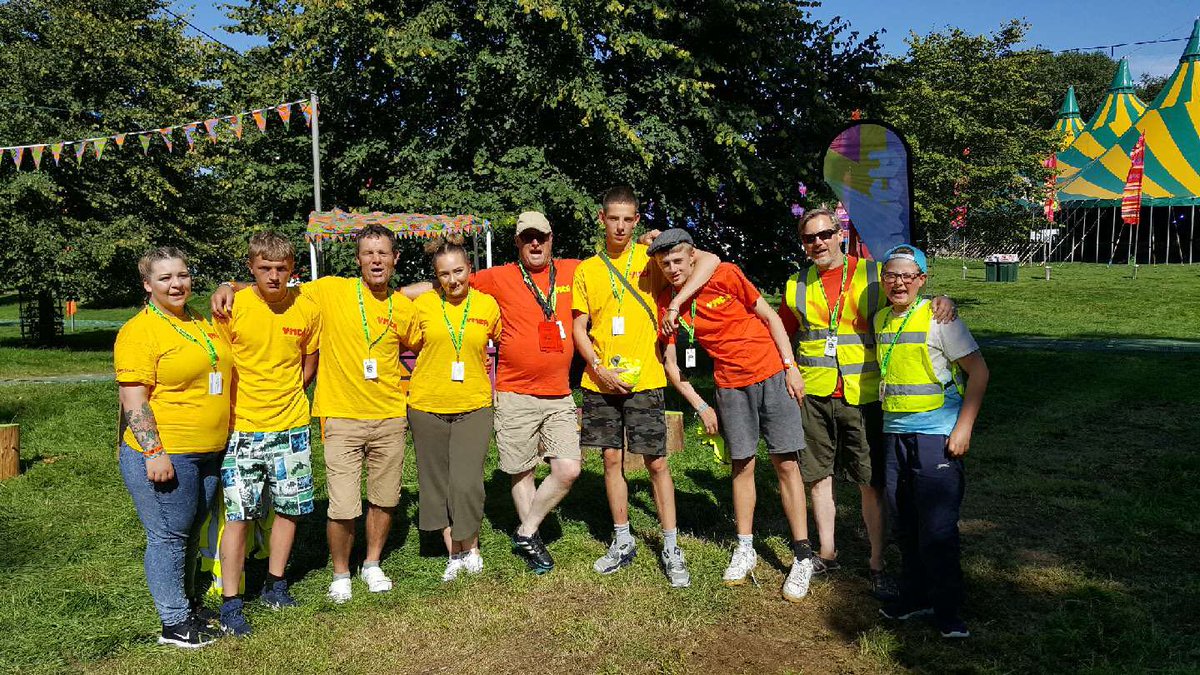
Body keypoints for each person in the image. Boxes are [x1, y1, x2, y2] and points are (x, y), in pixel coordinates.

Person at [213, 224, 415, 603]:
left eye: (383, 253)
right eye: (368, 253)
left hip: (389, 416)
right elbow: (275, 282)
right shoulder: (330, 290)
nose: (376, 260)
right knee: (342, 504)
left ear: (394, 259)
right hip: (338, 416)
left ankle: (371, 564)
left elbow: (426, 339)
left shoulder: (402, 306)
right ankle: (341, 573)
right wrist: (228, 284)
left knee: (385, 499)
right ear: (357, 260)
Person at [779, 208, 954, 598]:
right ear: (803, 244)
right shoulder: (796, 284)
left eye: (825, 234)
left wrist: (943, 299)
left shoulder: (874, 273)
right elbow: (780, 332)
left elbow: (907, 296)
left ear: (839, 233)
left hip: (864, 394)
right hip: (814, 392)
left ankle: (877, 562)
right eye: (809, 238)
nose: (818, 243)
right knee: (818, 476)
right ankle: (826, 553)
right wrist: (788, 366)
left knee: (869, 482)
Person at [649, 229, 816, 601]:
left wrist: (790, 365)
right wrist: (700, 403)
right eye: (666, 264)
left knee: (786, 463)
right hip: (729, 387)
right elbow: (672, 366)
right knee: (742, 464)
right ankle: (745, 547)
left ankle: (803, 553)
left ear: (692, 257)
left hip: (773, 374)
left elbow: (771, 317)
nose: (673, 268)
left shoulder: (725, 274)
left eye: (678, 260)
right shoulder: (667, 305)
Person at [571, 186, 719, 588]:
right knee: (611, 461)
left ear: (637, 221)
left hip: (647, 379)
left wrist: (658, 240)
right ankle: (622, 541)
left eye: (628, 219)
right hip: (600, 383)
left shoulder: (652, 258)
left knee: (656, 462)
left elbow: (706, 260)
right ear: (601, 219)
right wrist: (597, 368)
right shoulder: (587, 270)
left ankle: (670, 546)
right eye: (613, 218)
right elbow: (578, 328)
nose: (619, 225)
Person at [115, 246, 233, 648]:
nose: (176, 284)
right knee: (168, 536)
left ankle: (186, 604)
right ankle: (174, 623)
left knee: (188, 530)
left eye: (181, 275)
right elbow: (134, 399)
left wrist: (227, 283)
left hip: (208, 451)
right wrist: (154, 452)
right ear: (147, 285)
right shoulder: (139, 332)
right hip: (168, 453)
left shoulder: (199, 319)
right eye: (164, 278)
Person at [873, 245, 988, 639]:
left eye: (908, 276)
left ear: (922, 279)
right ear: (882, 278)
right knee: (904, 521)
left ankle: (948, 609)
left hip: (935, 435)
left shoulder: (940, 317)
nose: (899, 282)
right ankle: (916, 596)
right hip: (895, 434)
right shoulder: (881, 319)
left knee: (937, 526)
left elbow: (980, 373)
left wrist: (963, 428)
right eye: (891, 275)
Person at [212, 232, 321, 636]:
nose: (273, 277)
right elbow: (219, 363)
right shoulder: (233, 306)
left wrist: (288, 399)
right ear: (251, 268)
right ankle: (231, 601)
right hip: (242, 428)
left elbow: (308, 366)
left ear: (292, 270)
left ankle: (276, 584)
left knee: (289, 509)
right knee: (239, 515)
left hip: (291, 426)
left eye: (281, 269)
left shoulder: (307, 309)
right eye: (264, 269)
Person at [405, 236, 502, 581]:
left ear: (470, 270)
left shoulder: (487, 306)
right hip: (426, 404)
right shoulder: (424, 306)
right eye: (443, 275)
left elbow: (503, 340)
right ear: (435, 277)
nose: (453, 280)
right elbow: (397, 295)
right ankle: (454, 553)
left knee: (467, 481)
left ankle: (471, 545)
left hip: (474, 404)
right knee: (437, 484)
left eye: (458, 271)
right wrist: (429, 287)